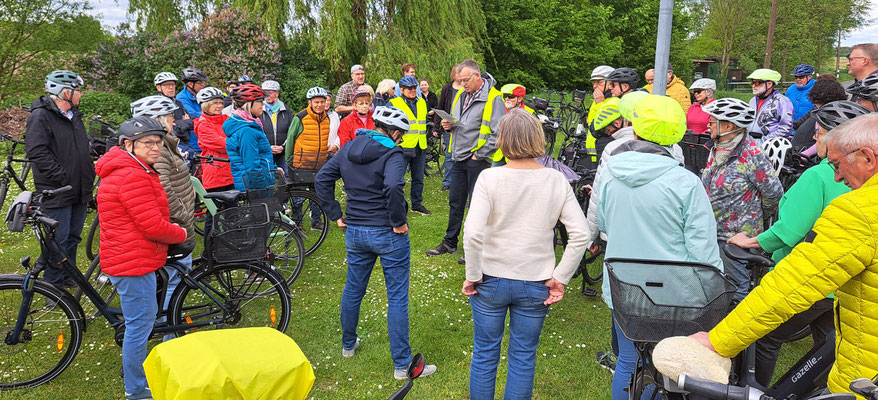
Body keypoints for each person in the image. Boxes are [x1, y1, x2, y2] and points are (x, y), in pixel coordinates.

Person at [690, 113, 878, 396]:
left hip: (864, 380)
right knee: (829, 343)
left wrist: (718, 340)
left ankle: (758, 389)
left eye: (837, 165)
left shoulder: (858, 209)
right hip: (845, 303)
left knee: (767, 338)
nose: (837, 177)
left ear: (867, 157)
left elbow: (794, 281)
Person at [594, 95, 724, 400]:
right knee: (668, 364)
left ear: (635, 130)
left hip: (624, 286)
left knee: (629, 360)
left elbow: (604, 224)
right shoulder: (686, 183)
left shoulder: (611, 174)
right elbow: (703, 250)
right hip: (674, 292)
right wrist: (711, 297)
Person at [462, 109, 587, 400]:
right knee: (522, 358)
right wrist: (561, 278)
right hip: (535, 282)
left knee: (484, 354)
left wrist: (472, 275)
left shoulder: (489, 178)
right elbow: (581, 234)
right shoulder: (556, 181)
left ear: (503, 141)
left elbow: (472, 233)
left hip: (489, 280)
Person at [314, 106, 438, 380]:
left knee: (354, 288)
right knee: (396, 296)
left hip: (356, 231)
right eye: (401, 135)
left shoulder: (348, 148)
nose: (401, 140)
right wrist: (398, 220)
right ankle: (402, 366)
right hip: (387, 233)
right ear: (393, 133)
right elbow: (394, 186)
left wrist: (336, 214)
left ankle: (348, 345)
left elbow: (322, 178)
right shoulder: (391, 152)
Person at [95, 116, 187, 400]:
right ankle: (136, 389)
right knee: (140, 326)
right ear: (128, 144)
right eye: (148, 143)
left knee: (140, 321)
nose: (156, 148)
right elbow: (152, 226)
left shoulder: (134, 167)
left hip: (130, 255)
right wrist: (182, 233)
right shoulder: (131, 175)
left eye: (158, 142)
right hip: (132, 262)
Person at [701, 97, 784, 301]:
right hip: (713, 231)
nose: (707, 125)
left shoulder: (752, 153)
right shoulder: (717, 148)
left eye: (712, 122)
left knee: (739, 289)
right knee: (717, 287)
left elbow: (774, 194)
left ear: (728, 125)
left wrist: (752, 217)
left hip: (737, 238)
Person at [130, 95, 197, 339]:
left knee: (172, 280)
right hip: (176, 224)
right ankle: (170, 335)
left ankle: (163, 325)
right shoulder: (159, 151)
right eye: (169, 116)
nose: (174, 119)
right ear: (157, 119)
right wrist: (182, 214)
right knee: (175, 282)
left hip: (179, 221)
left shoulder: (167, 144)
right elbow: (165, 190)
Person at [426, 59, 505, 262]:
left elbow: (498, 133)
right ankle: (450, 242)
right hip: (458, 155)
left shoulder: (493, 98)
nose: (462, 84)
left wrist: (480, 154)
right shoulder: (462, 93)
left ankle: (476, 249)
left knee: (478, 206)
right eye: (459, 81)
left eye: (465, 80)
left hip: (477, 159)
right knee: (455, 202)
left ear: (477, 76)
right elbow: (459, 120)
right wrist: (447, 124)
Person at [25, 70, 95, 288]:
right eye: (78, 90)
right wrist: (61, 176)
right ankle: (52, 286)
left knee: (73, 237)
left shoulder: (74, 116)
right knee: (57, 240)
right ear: (66, 92)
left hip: (79, 187)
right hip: (57, 190)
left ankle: (68, 276)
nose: (80, 94)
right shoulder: (41, 116)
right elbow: (37, 151)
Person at [284, 86, 333, 230]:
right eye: (316, 102)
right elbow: (290, 140)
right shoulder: (300, 118)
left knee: (317, 194)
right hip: (301, 163)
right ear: (310, 102)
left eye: (322, 102)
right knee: (298, 196)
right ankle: (297, 223)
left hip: (319, 164)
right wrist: (289, 162)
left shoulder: (327, 118)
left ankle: (316, 222)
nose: (319, 105)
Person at [390, 75, 432, 215]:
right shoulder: (394, 103)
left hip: (420, 145)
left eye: (414, 88)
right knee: (397, 179)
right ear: (401, 90)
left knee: (418, 178)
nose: (413, 90)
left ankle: (417, 204)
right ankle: (398, 205)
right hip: (402, 146)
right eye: (409, 88)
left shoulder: (421, 102)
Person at [224, 84, 278, 191]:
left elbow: (260, 156)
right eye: (259, 101)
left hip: (254, 181)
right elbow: (251, 165)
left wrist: (274, 169)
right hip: (255, 186)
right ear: (248, 104)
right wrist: (262, 187)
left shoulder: (247, 124)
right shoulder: (247, 131)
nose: (263, 104)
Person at [790, 78, 848, 151]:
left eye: (817, 103)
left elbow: (822, 145)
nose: (816, 105)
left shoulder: (829, 117)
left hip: (805, 154)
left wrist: (801, 156)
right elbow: (805, 117)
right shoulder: (819, 109)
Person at [194, 87, 233, 192]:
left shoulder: (226, 119)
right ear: (205, 105)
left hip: (231, 171)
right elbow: (223, 144)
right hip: (216, 174)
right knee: (219, 208)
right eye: (215, 103)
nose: (219, 106)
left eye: (221, 102)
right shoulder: (203, 125)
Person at [433, 64, 462, 191]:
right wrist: (436, 127)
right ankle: (448, 181)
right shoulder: (447, 88)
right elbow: (441, 107)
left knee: (461, 155)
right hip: (448, 125)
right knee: (449, 155)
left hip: (462, 126)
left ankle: (459, 181)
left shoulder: (467, 89)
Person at [747, 68, 794, 143]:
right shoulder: (752, 101)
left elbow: (785, 129)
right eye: (752, 83)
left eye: (757, 83)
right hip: (750, 145)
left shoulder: (782, 102)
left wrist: (762, 141)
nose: (753, 86)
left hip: (769, 146)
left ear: (769, 84)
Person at [153, 72, 195, 157]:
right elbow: (164, 128)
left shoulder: (178, 103)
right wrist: (183, 123)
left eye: (173, 84)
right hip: (167, 146)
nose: (171, 87)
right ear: (158, 87)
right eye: (167, 85)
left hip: (184, 144)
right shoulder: (156, 105)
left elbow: (192, 122)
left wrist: (179, 124)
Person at [259, 80, 292, 174]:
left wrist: (283, 147)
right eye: (265, 93)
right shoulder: (259, 110)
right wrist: (268, 147)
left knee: (286, 175)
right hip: (266, 151)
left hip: (282, 152)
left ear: (277, 93)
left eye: (270, 93)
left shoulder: (286, 110)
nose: (267, 96)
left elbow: (291, 131)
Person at [175, 67, 209, 152]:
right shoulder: (181, 97)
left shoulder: (200, 94)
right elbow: (191, 114)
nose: (203, 85)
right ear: (190, 84)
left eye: (203, 83)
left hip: (203, 137)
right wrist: (208, 114)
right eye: (200, 83)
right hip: (193, 142)